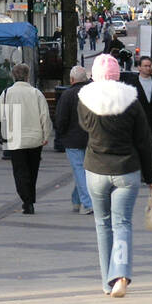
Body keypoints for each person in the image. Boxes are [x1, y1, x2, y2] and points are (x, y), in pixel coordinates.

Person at [77, 53, 152, 298]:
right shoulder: (131, 102)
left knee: (102, 225)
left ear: (95, 76)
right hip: (127, 170)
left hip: (96, 170)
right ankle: (121, 276)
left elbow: (84, 129)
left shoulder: (84, 102)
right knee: (122, 223)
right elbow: (144, 142)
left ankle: (107, 281)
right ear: (118, 75)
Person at [0, 63, 51, 215]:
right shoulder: (36, 93)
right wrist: (46, 135)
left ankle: (27, 201)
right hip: (35, 138)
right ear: (27, 76)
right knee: (33, 170)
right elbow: (45, 116)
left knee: (20, 171)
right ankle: (30, 199)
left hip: (16, 138)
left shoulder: (7, 93)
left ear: (13, 76)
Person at [54, 64, 93, 215]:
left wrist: (61, 134)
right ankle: (76, 200)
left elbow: (61, 119)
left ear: (71, 79)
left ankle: (87, 203)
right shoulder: (93, 93)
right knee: (84, 171)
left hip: (72, 139)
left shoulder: (67, 95)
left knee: (79, 170)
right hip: (90, 137)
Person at [122, 55, 152, 134]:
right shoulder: (132, 83)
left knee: (150, 142)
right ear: (139, 67)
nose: (148, 68)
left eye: (149, 66)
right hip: (137, 120)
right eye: (145, 66)